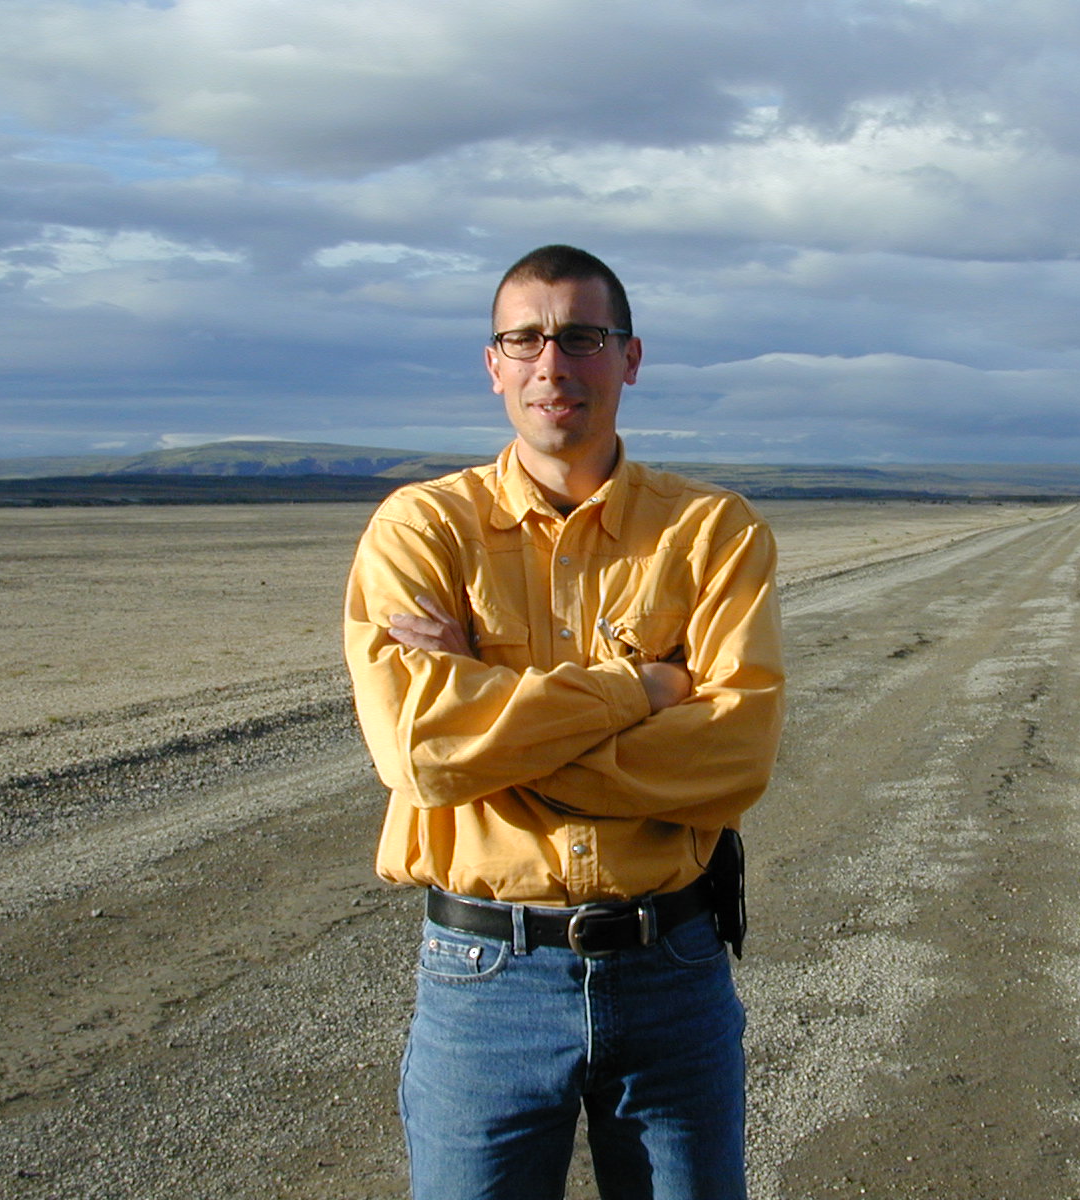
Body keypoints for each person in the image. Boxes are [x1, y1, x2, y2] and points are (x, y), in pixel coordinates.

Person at [343, 244, 785, 1200]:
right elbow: (419, 751)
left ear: (628, 357)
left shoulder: (713, 533)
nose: (554, 362)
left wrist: (492, 738)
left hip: (670, 967)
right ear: (493, 361)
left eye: (582, 336)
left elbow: (735, 755)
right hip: (483, 981)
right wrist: (641, 693)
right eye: (526, 338)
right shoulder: (421, 531)